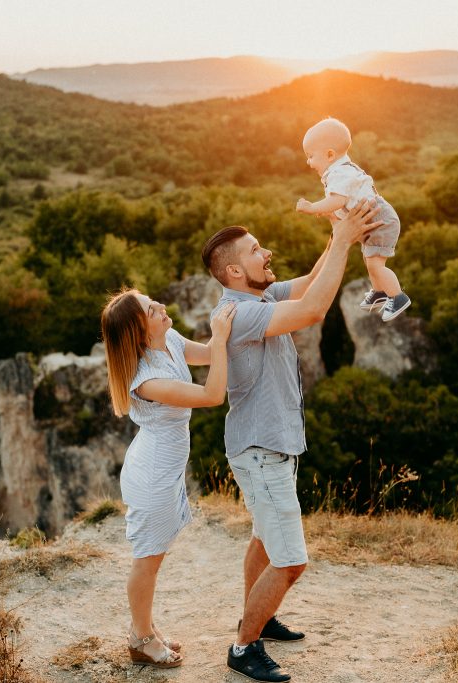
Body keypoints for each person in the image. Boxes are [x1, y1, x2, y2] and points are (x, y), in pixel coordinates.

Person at [202, 201, 381, 682]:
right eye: (257, 250)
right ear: (235, 270)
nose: (268, 252)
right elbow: (314, 308)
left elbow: (308, 283)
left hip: (270, 447)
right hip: (260, 451)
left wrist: (336, 235)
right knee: (291, 561)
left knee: (264, 538)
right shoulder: (239, 313)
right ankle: (243, 648)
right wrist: (343, 240)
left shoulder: (260, 295)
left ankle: (258, 618)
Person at [101, 288, 236, 669]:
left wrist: (225, 330)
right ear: (140, 333)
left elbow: (211, 355)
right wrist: (222, 335)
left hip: (166, 469)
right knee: (147, 561)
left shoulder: (170, 339)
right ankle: (141, 639)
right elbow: (212, 395)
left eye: (153, 301)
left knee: (153, 559)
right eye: (151, 309)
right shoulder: (147, 381)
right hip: (153, 476)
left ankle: (143, 628)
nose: (161, 306)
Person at [296, 117, 411, 322]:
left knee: (376, 265)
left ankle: (398, 297)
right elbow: (343, 204)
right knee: (370, 262)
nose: (308, 162)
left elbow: (337, 200)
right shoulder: (341, 170)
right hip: (372, 220)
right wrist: (332, 213)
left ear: (330, 154)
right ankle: (379, 292)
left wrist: (313, 208)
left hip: (380, 220)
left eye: (311, 156)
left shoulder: (339, 173)